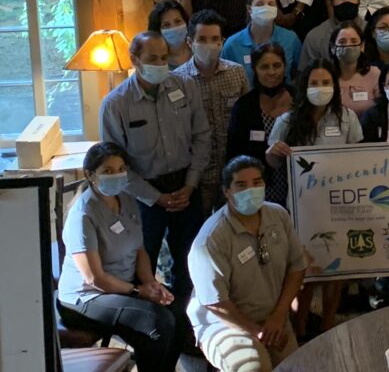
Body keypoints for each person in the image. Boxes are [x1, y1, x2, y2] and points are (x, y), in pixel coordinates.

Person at [99, 31, 210, 305]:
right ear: (134, 59)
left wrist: (191, 184)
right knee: (140, 261)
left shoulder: (185, 86)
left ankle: (184, 323)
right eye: (152, 59)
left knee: (190, 260)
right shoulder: (115, 104)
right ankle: (146, 326)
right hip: (143, 195)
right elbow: (114, 164)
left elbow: (202, 136)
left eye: (164, 58)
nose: (160, 64)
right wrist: (154, 197)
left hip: (186, 185)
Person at [57, 143, 184, 372]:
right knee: (155, 322)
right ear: (90, 175)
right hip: (86, 298)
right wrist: (138, 292)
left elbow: (139, 250)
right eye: (108, 171)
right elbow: (94, 278)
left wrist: (150, 284)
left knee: (177, 313)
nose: (116, 175)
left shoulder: (127, 200)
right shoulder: (83, 215)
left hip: (124, 285)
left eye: (120, 169)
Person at [266, 61, 362, 335]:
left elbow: (359, 158)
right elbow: (271, 162)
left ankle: (328, 324)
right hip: (300, 208)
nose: (320, 89)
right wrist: (274, 151)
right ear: (303, 87)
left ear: (334, 86)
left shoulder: (347, 118)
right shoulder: (286, 120)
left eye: (325, 83)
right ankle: (300, 326)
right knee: (303, 270)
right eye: (314, 84)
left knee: (335, 270)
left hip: (338, 206)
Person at [187, 156, 306, 372]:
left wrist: (279, 316)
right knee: (254, 367)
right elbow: (215, 303)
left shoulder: (278, 215)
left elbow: (297, 266)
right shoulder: (211, 239)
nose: (251, 190)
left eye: (257, 182)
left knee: (297, 367)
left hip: (272, 317)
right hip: (222, 324)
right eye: (241, 185)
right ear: (226, 192)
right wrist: (256, 332)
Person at [176, 9, 250, 215]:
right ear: (190, 42)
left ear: (222, 41)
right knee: (199, 233)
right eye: (203, 39)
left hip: (233, 169)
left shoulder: (237, 72)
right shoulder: (178, 80)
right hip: (198, 176)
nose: (209, 45)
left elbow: (247, 115)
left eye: (215, 39)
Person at [225, 43, 293, 205]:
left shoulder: (299, 100)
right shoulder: (244, 107)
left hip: (297, 187)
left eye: (277, 65)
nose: (271, 72)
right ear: (255, 69)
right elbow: (234, 154)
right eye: (264, 67)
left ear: (284, 66)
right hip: (257, 191)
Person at [223, 0, 302, 86]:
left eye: (271, 4)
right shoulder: (232, 45)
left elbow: (300, 74)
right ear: (249, 9)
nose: (266, 8)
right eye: (260, 4)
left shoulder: (291, 39)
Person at [300, 0, 363, 70]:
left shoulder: (371, 33)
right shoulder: (315, 37)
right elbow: (304, 78)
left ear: (359, 0)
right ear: (331, 1)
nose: (346, 1)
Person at [329, 21, 380, 122]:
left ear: (362, 46)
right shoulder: (326, 76)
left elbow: (382, 109)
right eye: (342, 42)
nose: (348, 46)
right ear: (333, 47)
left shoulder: (374, 73)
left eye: (353, 41)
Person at [147, 0, 191, 69]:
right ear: (158, 30)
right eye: (166, 25)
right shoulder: (155, 64)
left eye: (178, 21)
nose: (174, 28)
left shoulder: (198, 51)